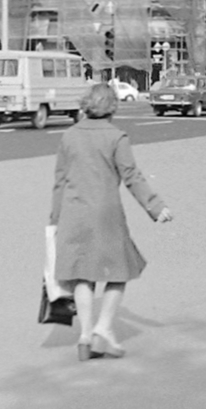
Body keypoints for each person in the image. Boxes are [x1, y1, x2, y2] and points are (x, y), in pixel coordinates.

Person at [50, 83, 173, 360]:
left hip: (73, 212)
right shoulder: (117, 137)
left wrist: (54, 219)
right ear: (112, 108)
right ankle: (103, 328)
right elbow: (131, 176)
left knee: (82, 273)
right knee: (119, 271)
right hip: (105, 214)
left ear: (86, 105)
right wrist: (155, 207)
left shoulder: (69, 136)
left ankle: (85, 333)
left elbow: (60, 180)